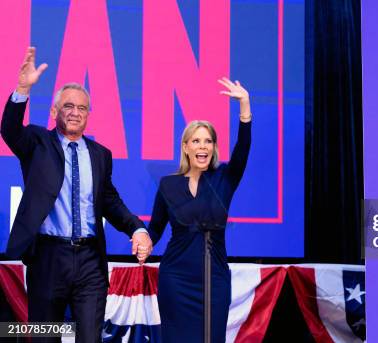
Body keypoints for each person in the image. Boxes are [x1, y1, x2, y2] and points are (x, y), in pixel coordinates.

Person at [1, 47, 153, 342]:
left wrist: (137, 228)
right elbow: (9, 129)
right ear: (55, 111)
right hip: (47, 257)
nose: (75, 113)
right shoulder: (36, 142)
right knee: (45, 336)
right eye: (68, 106)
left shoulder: (100, 154)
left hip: (89, 261)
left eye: (81, 108)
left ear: (88, 115)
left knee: (89, 337)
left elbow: (109, 200)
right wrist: (22, 88)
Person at [148, 77, 251, 342]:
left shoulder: (225, 178)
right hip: (175, 278)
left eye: (208, 141)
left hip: (214, 279)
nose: (202, 146)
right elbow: (155, 229)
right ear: (186, 147)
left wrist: (244, 106)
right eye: (196, 141)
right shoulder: (168, 184)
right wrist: (142, 242)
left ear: (214, 148)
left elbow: (242, 149)